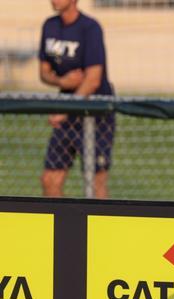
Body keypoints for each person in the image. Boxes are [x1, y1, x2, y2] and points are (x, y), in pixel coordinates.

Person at [38, 0, 115, 198]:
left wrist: (65, 110)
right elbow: (44, 72)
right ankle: (62, 227)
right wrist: (62, 80)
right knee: (50, 180)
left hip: (94, 114)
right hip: (65, 114)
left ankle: (99, 228)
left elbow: (93, 79)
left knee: (95, 183)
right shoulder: (50, 25)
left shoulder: (90, 28)